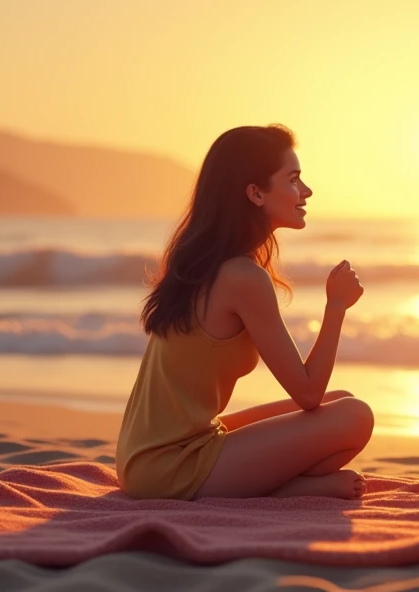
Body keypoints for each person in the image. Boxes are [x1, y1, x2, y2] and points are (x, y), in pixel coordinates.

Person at [116, 125, 374, 501]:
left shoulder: (207, 262)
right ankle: (290, 489)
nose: (306, 192)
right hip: (167, 469)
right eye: (293, 180)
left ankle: (274, 483)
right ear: (255, 193)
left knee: (343, 400)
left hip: (149, 456)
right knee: (355, 417)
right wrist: (335, 307)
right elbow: (307, 394)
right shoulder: (242, 277)